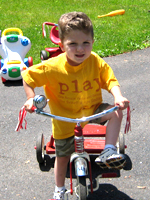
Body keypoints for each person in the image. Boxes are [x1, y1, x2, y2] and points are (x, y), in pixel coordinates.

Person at [22, 11, 129, 200]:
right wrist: (30, 98)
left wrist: (118, 96)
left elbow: (110, 80)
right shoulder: (52, 66)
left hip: (91, 110)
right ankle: (59, 190)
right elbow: (28, 78)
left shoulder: (94, 61)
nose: (80, 49)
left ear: (92, 41)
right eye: (73, 44)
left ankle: (109, 149)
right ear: (62, 45)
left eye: (85, 43)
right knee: (61, 158)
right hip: (64, 120)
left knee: (115, 113)